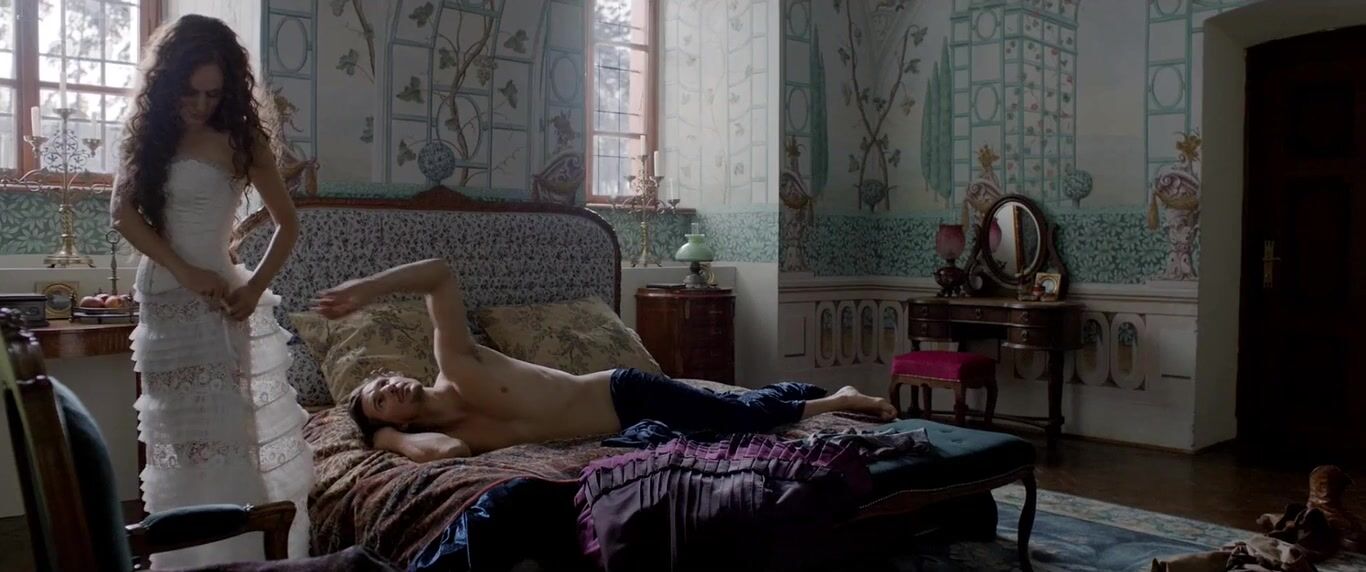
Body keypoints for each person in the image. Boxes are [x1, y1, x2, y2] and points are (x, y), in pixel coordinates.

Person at [313, 259, 898, 462]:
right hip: (624, 429)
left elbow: (439, 274)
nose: (391, 385)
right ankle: (808, 395)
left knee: (739, 418)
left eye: (385, 380)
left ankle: (838, 398)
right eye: (381, 399)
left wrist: (365, 288)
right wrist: (386, 438)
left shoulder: (456, 364)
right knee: (725, 419)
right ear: (394, 422)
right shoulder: (454, 436)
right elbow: (445, 454)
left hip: (624, 392)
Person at [110, 15, 312, 567]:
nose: (200, 105)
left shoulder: (243, 139)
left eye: (213, 93)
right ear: (168, 82)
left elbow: (287, 225)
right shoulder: (148, 132)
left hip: (220, 305)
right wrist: (183, 270)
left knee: (225, 436)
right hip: (162, 301)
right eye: (190, 92)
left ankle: (237, 558)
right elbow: (122, 215)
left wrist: (255, 288)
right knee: (177, 443)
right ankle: (181, 561)